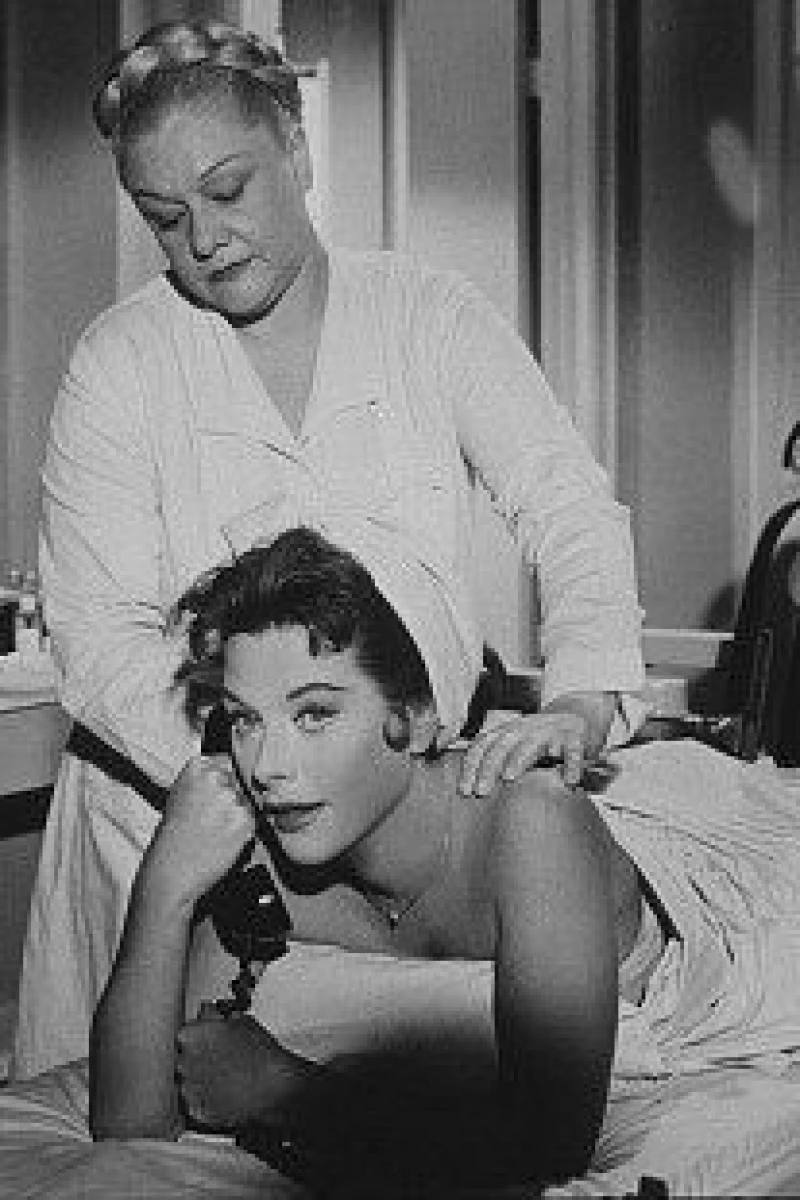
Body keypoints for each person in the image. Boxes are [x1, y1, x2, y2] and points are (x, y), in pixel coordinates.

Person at [14, 19, 644, 1081]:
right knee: (133, 1122)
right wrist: (268, 768)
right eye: (165, 218)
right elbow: (98, 640)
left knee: (378, 1101)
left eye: (228, 190)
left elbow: (568, 508)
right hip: (175, 814)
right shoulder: (122, 360)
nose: (204, 239)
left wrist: (580, 701)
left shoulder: (425, 316)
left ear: (297, 151)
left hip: (387, 824)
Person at [90, 525, 646, 1192]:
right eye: (245, 720)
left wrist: (287, 1090)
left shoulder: (535, 819)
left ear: (416, 718)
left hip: (702, 882)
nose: (267, 767)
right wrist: (164, 886)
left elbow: (552, 1146)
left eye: (314, 715)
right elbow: (130, 1120)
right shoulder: (258, 841)